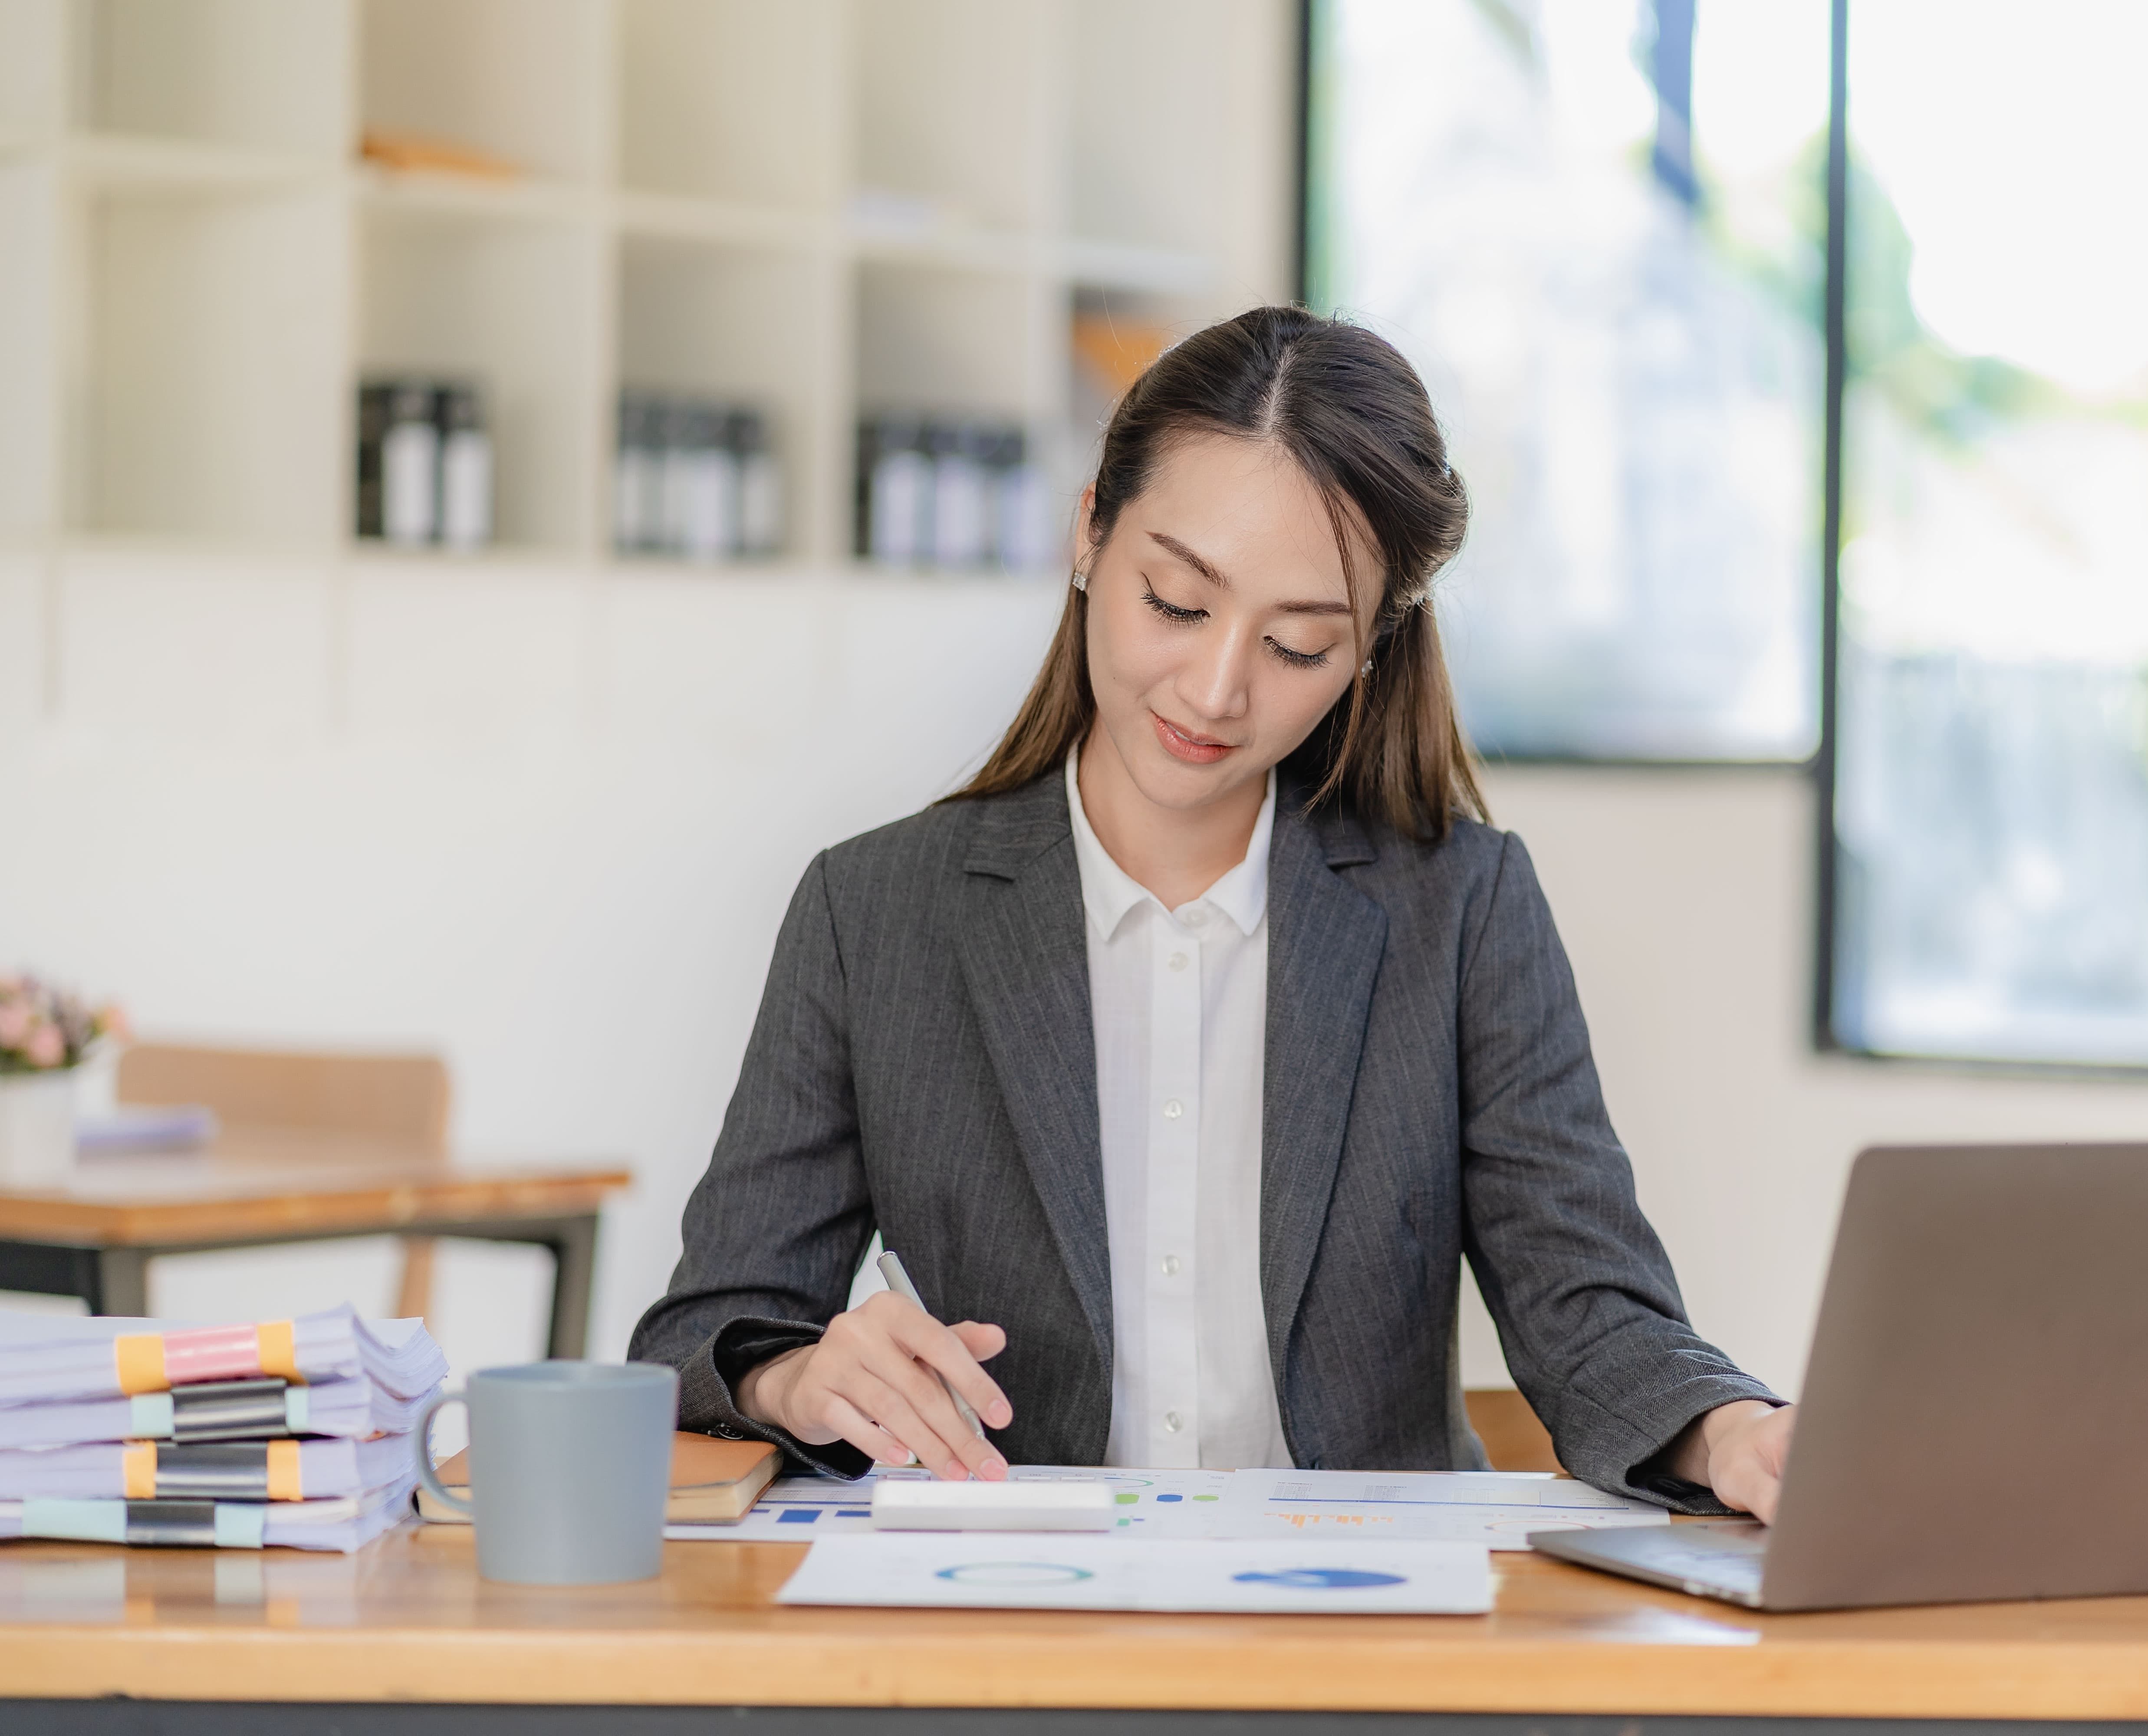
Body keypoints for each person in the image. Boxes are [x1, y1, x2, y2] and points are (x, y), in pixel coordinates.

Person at [629, 305, 1796, 1518]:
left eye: (1297, 645)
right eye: (1178, 604)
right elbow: (700, 1336)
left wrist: (1733, 1433)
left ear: (1369, 654)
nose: (1217, 688)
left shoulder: (1462, 911)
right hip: (1013, 1622)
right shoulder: (872, 916)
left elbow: (1589, 1314)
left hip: (1360, 1637)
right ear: (1089, 532)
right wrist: (799, 1379)